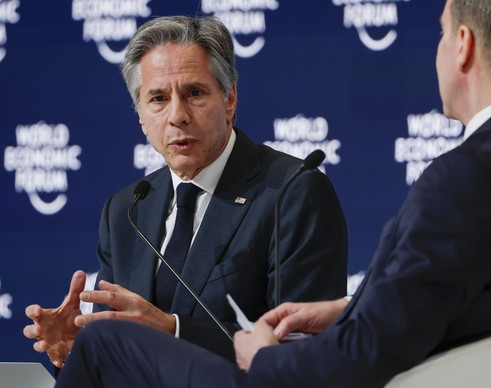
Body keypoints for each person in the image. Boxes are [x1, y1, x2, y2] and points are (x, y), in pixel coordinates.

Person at [55, 0, 491, 386]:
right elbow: (468, 303)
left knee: (106, 342)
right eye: (157, 99)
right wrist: (353, 307)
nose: (177, 115)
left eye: (442, 33)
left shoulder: (460, 179)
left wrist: (260, 356)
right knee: (98, 339)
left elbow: (363, 354)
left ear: (462, 47)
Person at [23, 16, 348, 367]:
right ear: (141, 118)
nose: (177, 115)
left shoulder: (291, 193)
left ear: (229, 99)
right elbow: (119, 353)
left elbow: (300, 349)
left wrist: (174, 330)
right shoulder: (126, 210)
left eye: (194, 93)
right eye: (158, 98)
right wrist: (82, 354)